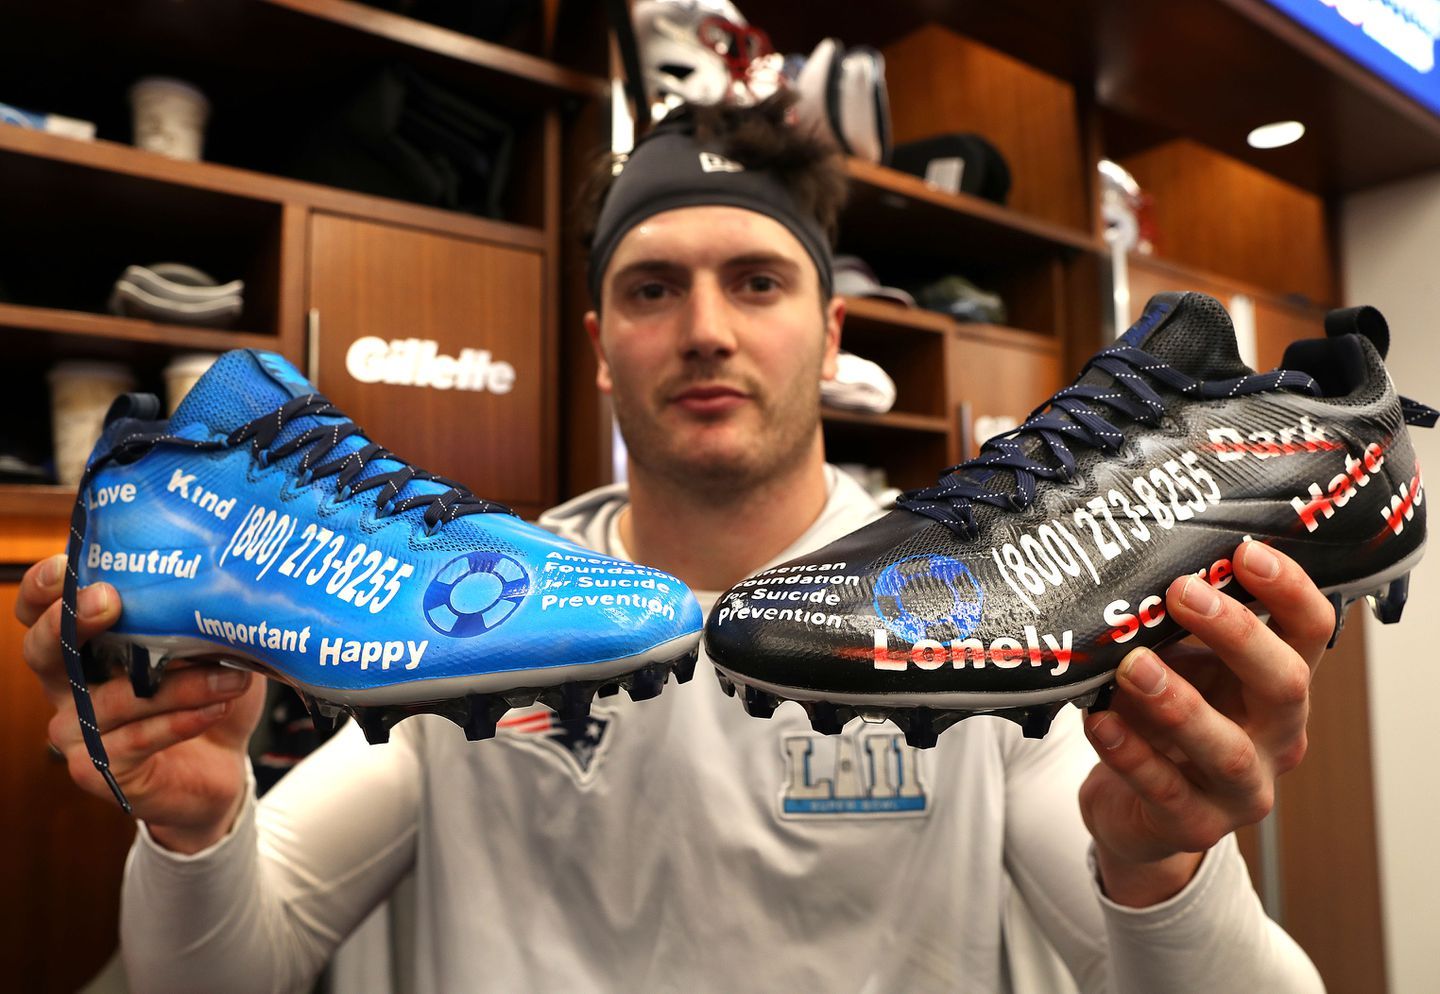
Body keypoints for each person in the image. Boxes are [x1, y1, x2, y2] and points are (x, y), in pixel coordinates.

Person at [18, 96, 1327, 993]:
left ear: (829, 334)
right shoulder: (465, 616)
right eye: (652, 288)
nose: (705, 328)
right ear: (599, 347)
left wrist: (1163, 865)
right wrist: (194, 829)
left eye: (757, 281)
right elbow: (232, 964)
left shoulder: (977, 616)